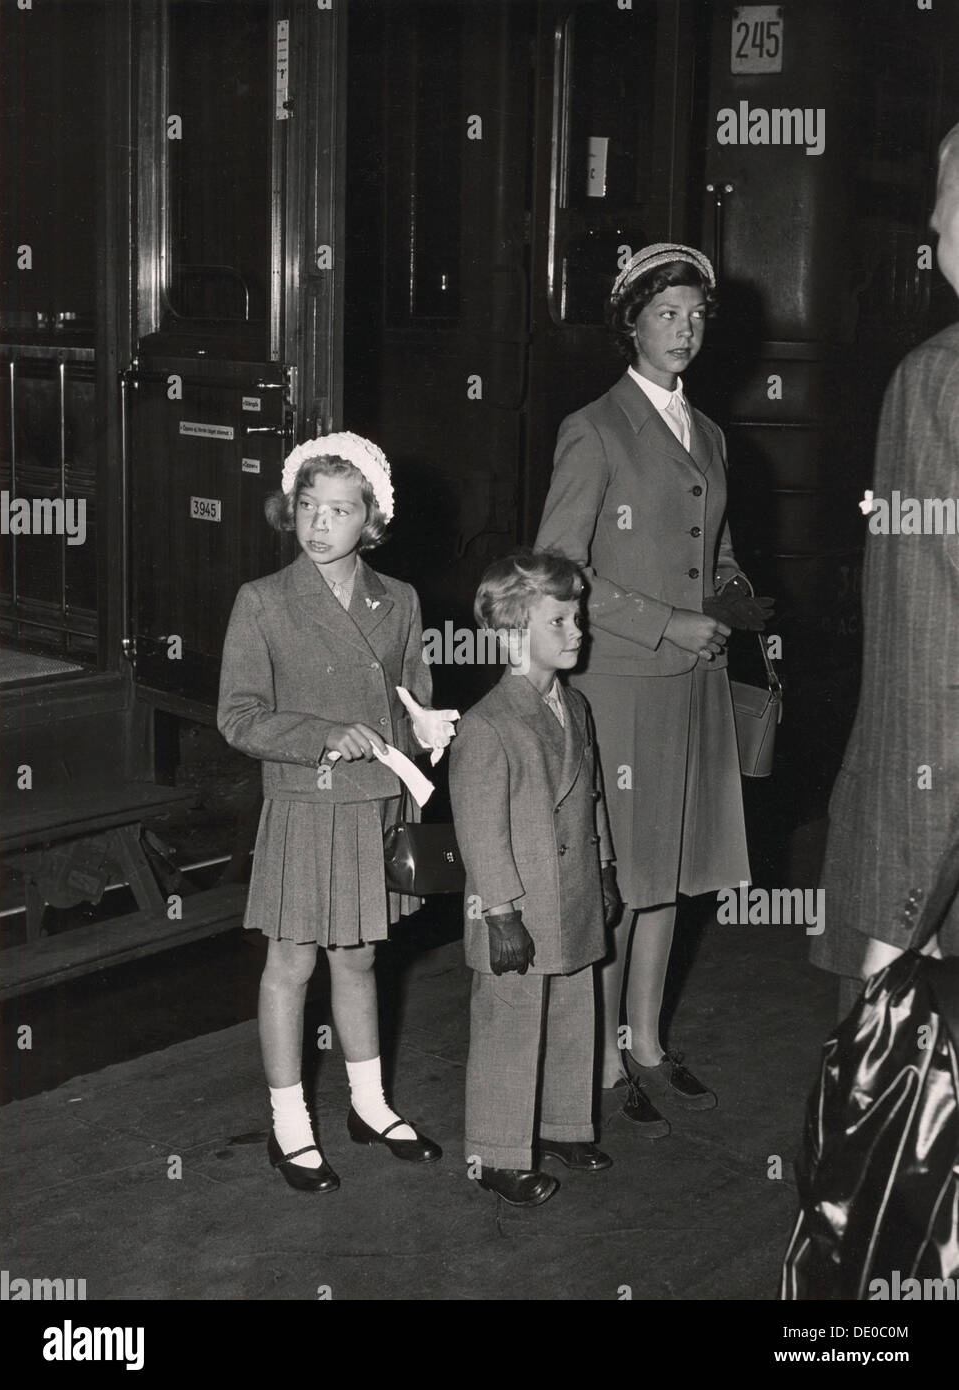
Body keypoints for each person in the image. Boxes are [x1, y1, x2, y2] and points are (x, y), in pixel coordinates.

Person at [535, 244, 771, 1134]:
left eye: (697, 316)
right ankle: (598, 1052)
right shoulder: (593, 428)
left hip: (698, 681)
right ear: (630, 324)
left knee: (672, 875)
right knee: (624, 878)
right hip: (627, 680)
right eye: (667, 314)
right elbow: (558, 566)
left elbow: (715, 549)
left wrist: (735, 597)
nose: (685, 330)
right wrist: (662, 621)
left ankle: (645, 1040)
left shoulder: (707, 432)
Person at [218, 432, 454, 1191]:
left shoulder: (402, 600)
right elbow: (239, 716)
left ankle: (369, 1104)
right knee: (291, 963)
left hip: (374, 804)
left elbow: (411, 691)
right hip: (304, 801)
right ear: (292, 512)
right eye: (309, 508)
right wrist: (323, 736)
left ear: (372, 520)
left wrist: (423, 727)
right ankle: (290, 1125)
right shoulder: (262, 601)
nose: (321, 524)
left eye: (341, 510)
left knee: (358, 956)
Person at [811, 122, 959, 1006]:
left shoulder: (939, 380)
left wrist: (891, 933)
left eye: (941, 210)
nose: (931, 235)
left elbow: (935, 672)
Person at [448, 550, 620, 1208]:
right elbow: (479, 830)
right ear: (515, 632)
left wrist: (604, 870)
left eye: (578, 617)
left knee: (575, 1010)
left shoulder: (573, 707)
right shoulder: (489, 726)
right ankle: (496, 1153)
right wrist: (500, 913)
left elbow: (593, 796)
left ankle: (563, 1124)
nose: (579, 631)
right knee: (509, 1025)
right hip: (515, 905)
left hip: (572, 893)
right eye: (561, 620)